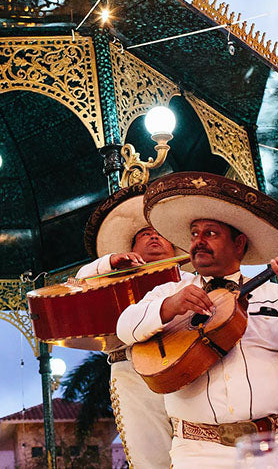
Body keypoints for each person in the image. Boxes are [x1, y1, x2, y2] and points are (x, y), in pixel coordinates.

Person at [116, 172, 278, 469]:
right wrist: (169, 307)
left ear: (239, 243)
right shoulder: (171, 291)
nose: (198, 242)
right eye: (194, 234)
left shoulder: (274, 294)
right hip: (198, 453)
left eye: (211, 233)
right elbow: (124, 327)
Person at [74, 183, 191, 469]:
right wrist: (109, 263)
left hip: (188, 368)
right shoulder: (114, 283)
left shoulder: (191, 281)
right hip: (130, 371)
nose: (153, 237)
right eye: (144, 234)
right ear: (131, 248)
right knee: (149, 458)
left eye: (159, 234)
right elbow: (77, 286)